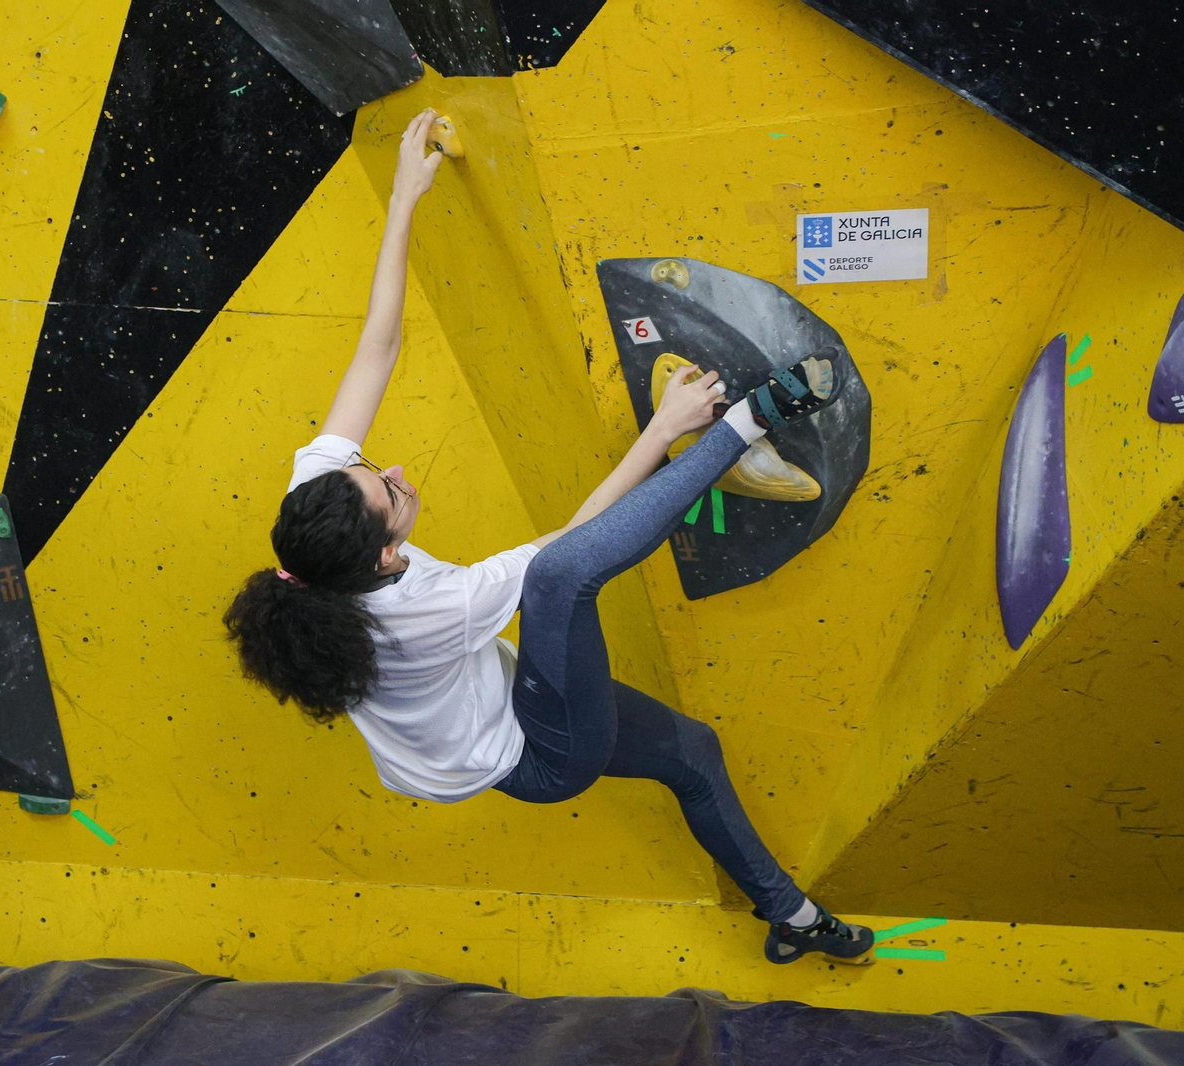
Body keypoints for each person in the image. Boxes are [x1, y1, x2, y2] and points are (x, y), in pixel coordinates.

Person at [224, 109, 874, 966]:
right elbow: (577, 545)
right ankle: (752, 424)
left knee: (693, 754)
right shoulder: (425, 608)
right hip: (539, 754)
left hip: (506, 701)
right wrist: (671, 429)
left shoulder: (315, 510)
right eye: (390, 492)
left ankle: (793, 923)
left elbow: (375, 349)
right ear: (384, 559)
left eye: (372, 466)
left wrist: (405, 202)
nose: (397, 472)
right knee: (561, 578)